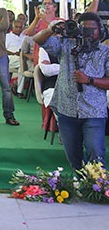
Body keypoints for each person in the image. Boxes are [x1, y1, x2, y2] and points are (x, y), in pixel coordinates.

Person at [33, 12, 109, 168]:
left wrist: (89, 80)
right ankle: (82, 184)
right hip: (67, 109)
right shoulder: (65, 45)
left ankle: (97, 187)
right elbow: (38, 39)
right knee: (73, 156)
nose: (88, 33)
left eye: (92, 29)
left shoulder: (105, 52)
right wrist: (51, 28)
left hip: (94, 112)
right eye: (84, 29)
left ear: (100, 31)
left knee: (96, 151)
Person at [5, 18, 26, 93]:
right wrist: (14, 53)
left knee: (22, 68)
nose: (18, 29)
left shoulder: (24, 37)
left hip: (23, 58)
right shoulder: (7, 36)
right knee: (23, 64)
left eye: (20, 27)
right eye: (16, 27)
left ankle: (18, 90)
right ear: (12, 27)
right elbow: (2, 50)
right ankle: (18, 89)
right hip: (10, 58)